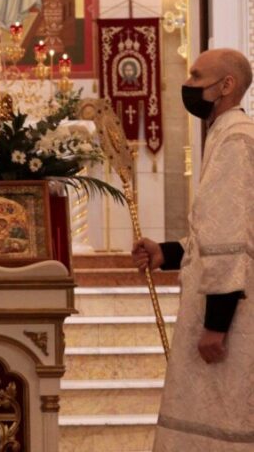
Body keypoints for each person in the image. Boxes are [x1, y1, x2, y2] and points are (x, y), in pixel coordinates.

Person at [132, 48, 254, 451]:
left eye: (197, 76)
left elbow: (229, 240)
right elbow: (214, 232)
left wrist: (216, 324)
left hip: (231, 319)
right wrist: (167, 253)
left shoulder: (235, 139)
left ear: (227, 85)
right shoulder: (227, 133)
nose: (188, 85)